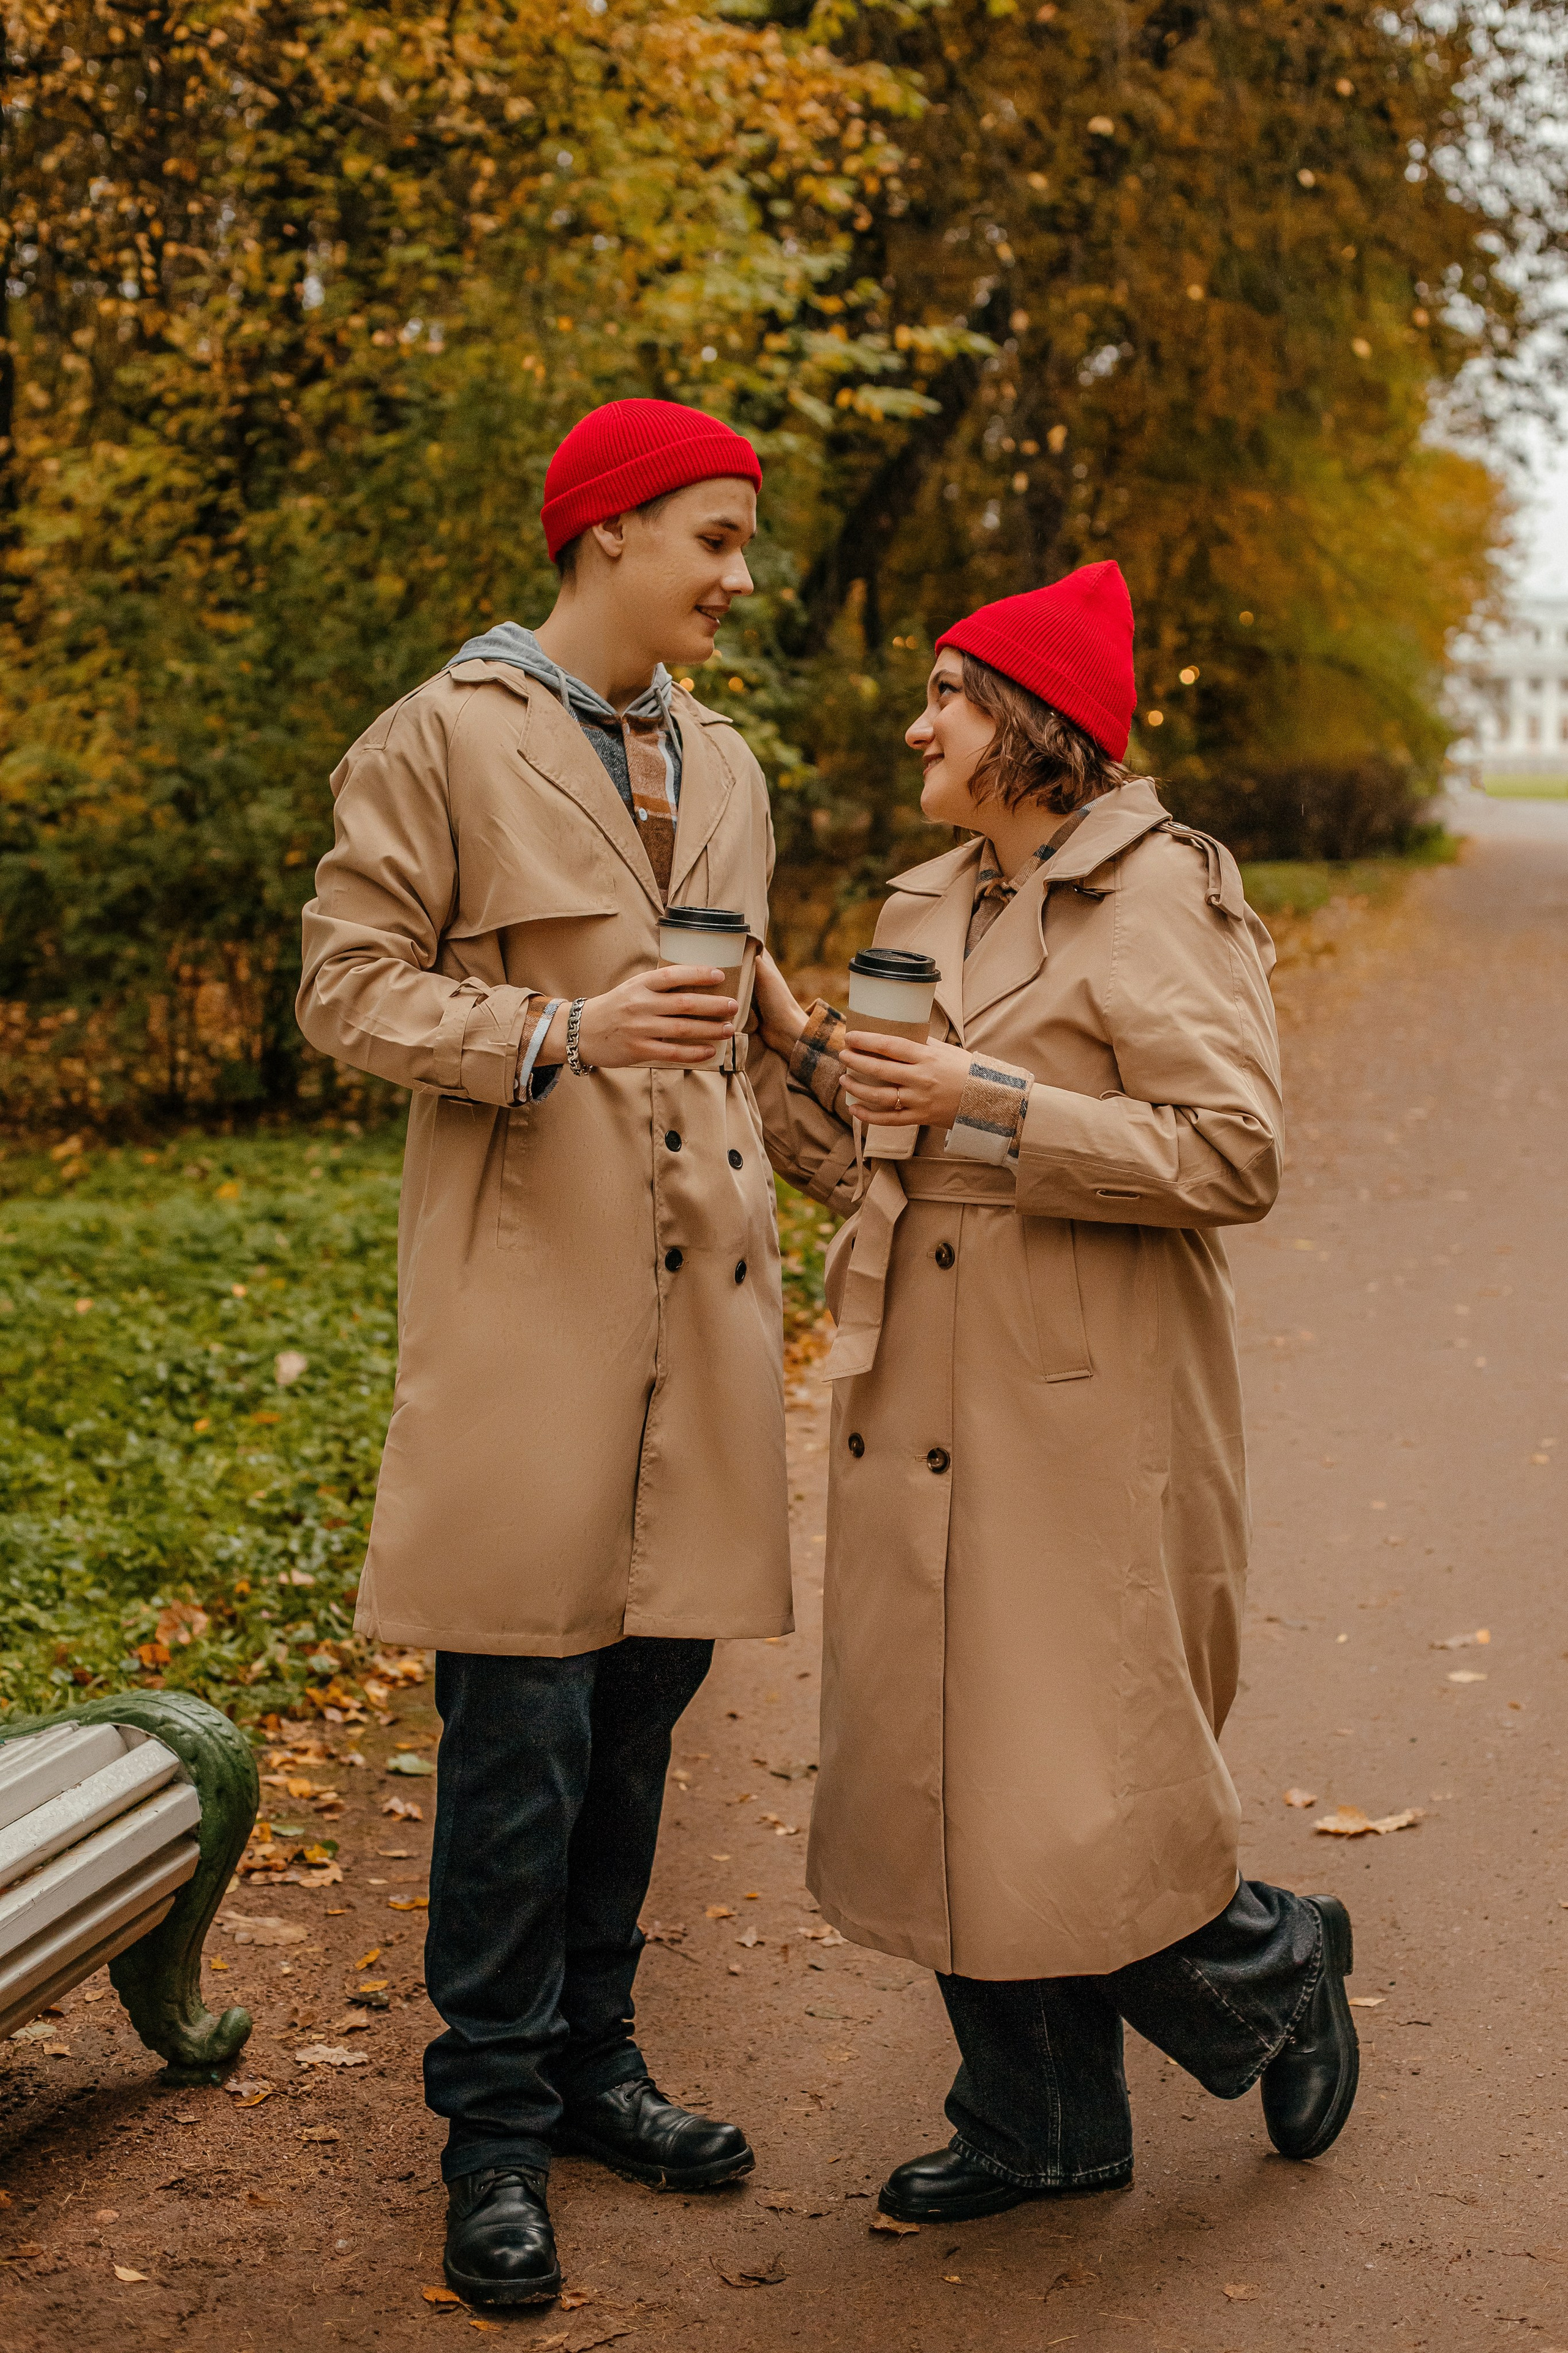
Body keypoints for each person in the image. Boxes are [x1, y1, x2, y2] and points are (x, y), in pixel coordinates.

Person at [747, 561, 1359, 2221]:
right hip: (913, 1390)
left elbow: (1235, 1155)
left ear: (1031, 720)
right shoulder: (919, 903)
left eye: (946, 691)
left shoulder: (1165, 895)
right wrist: (779, 1044)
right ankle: (1039, 2122)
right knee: (945, 1768)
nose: (917, 720)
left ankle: (1278, 1964)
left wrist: (989, 1094)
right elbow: (884, 1156)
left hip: (1081, 1411)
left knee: (1070, 1780)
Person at [297, 399, 793, 2306]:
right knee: (520, 1736)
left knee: (643, 1707)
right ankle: (491, 2129)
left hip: (711, 1306)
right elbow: (346, 989)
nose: (738, 578)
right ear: (605, 535)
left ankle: (598, 2067)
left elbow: (750, 1018)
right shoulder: (441, 738)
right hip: (528, 1311)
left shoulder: (729, 765)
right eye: (714, 539)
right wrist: (565, 1031)